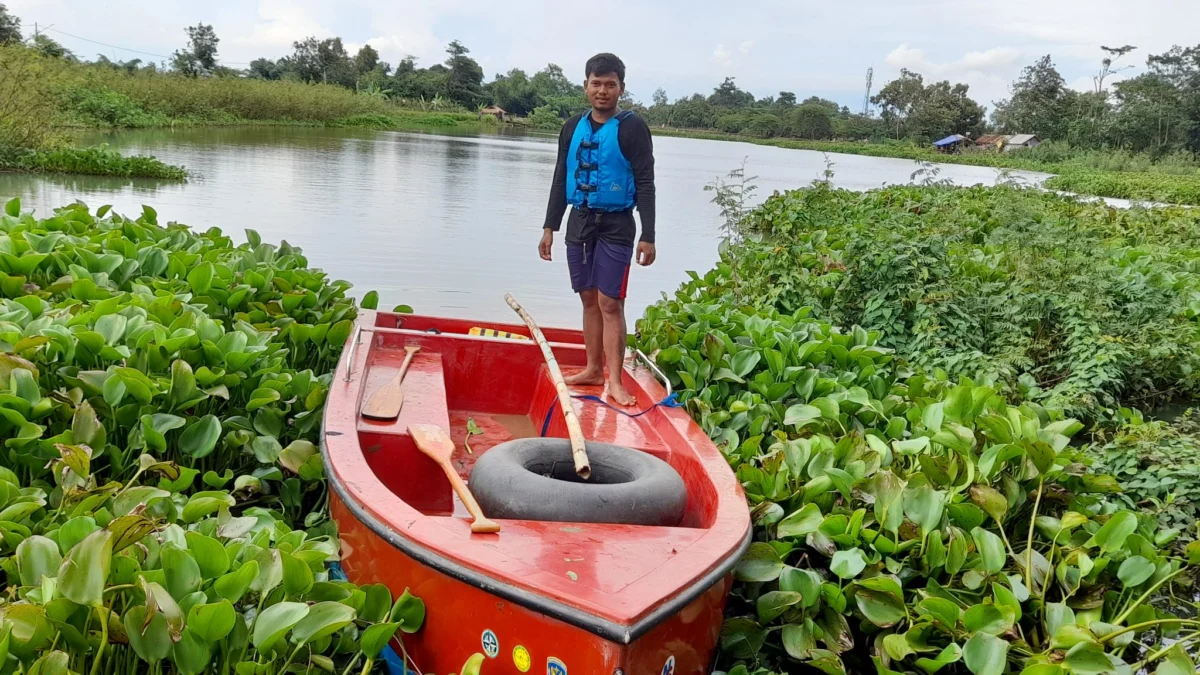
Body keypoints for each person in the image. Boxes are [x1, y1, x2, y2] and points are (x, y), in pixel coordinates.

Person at [539, 52, 656, 407]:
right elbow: (561, 177)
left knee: (610, 302)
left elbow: (646, 183)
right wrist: (550, 226)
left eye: (610, 84)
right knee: (588, 298)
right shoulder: (572, 127)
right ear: (586, 86)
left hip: (617, 224)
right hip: (580, 220)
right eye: (596, 83)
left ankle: (616, 382)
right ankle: (592, 370)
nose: (602, 90)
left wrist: (648, 235)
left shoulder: (633, 128)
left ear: (621, 88)